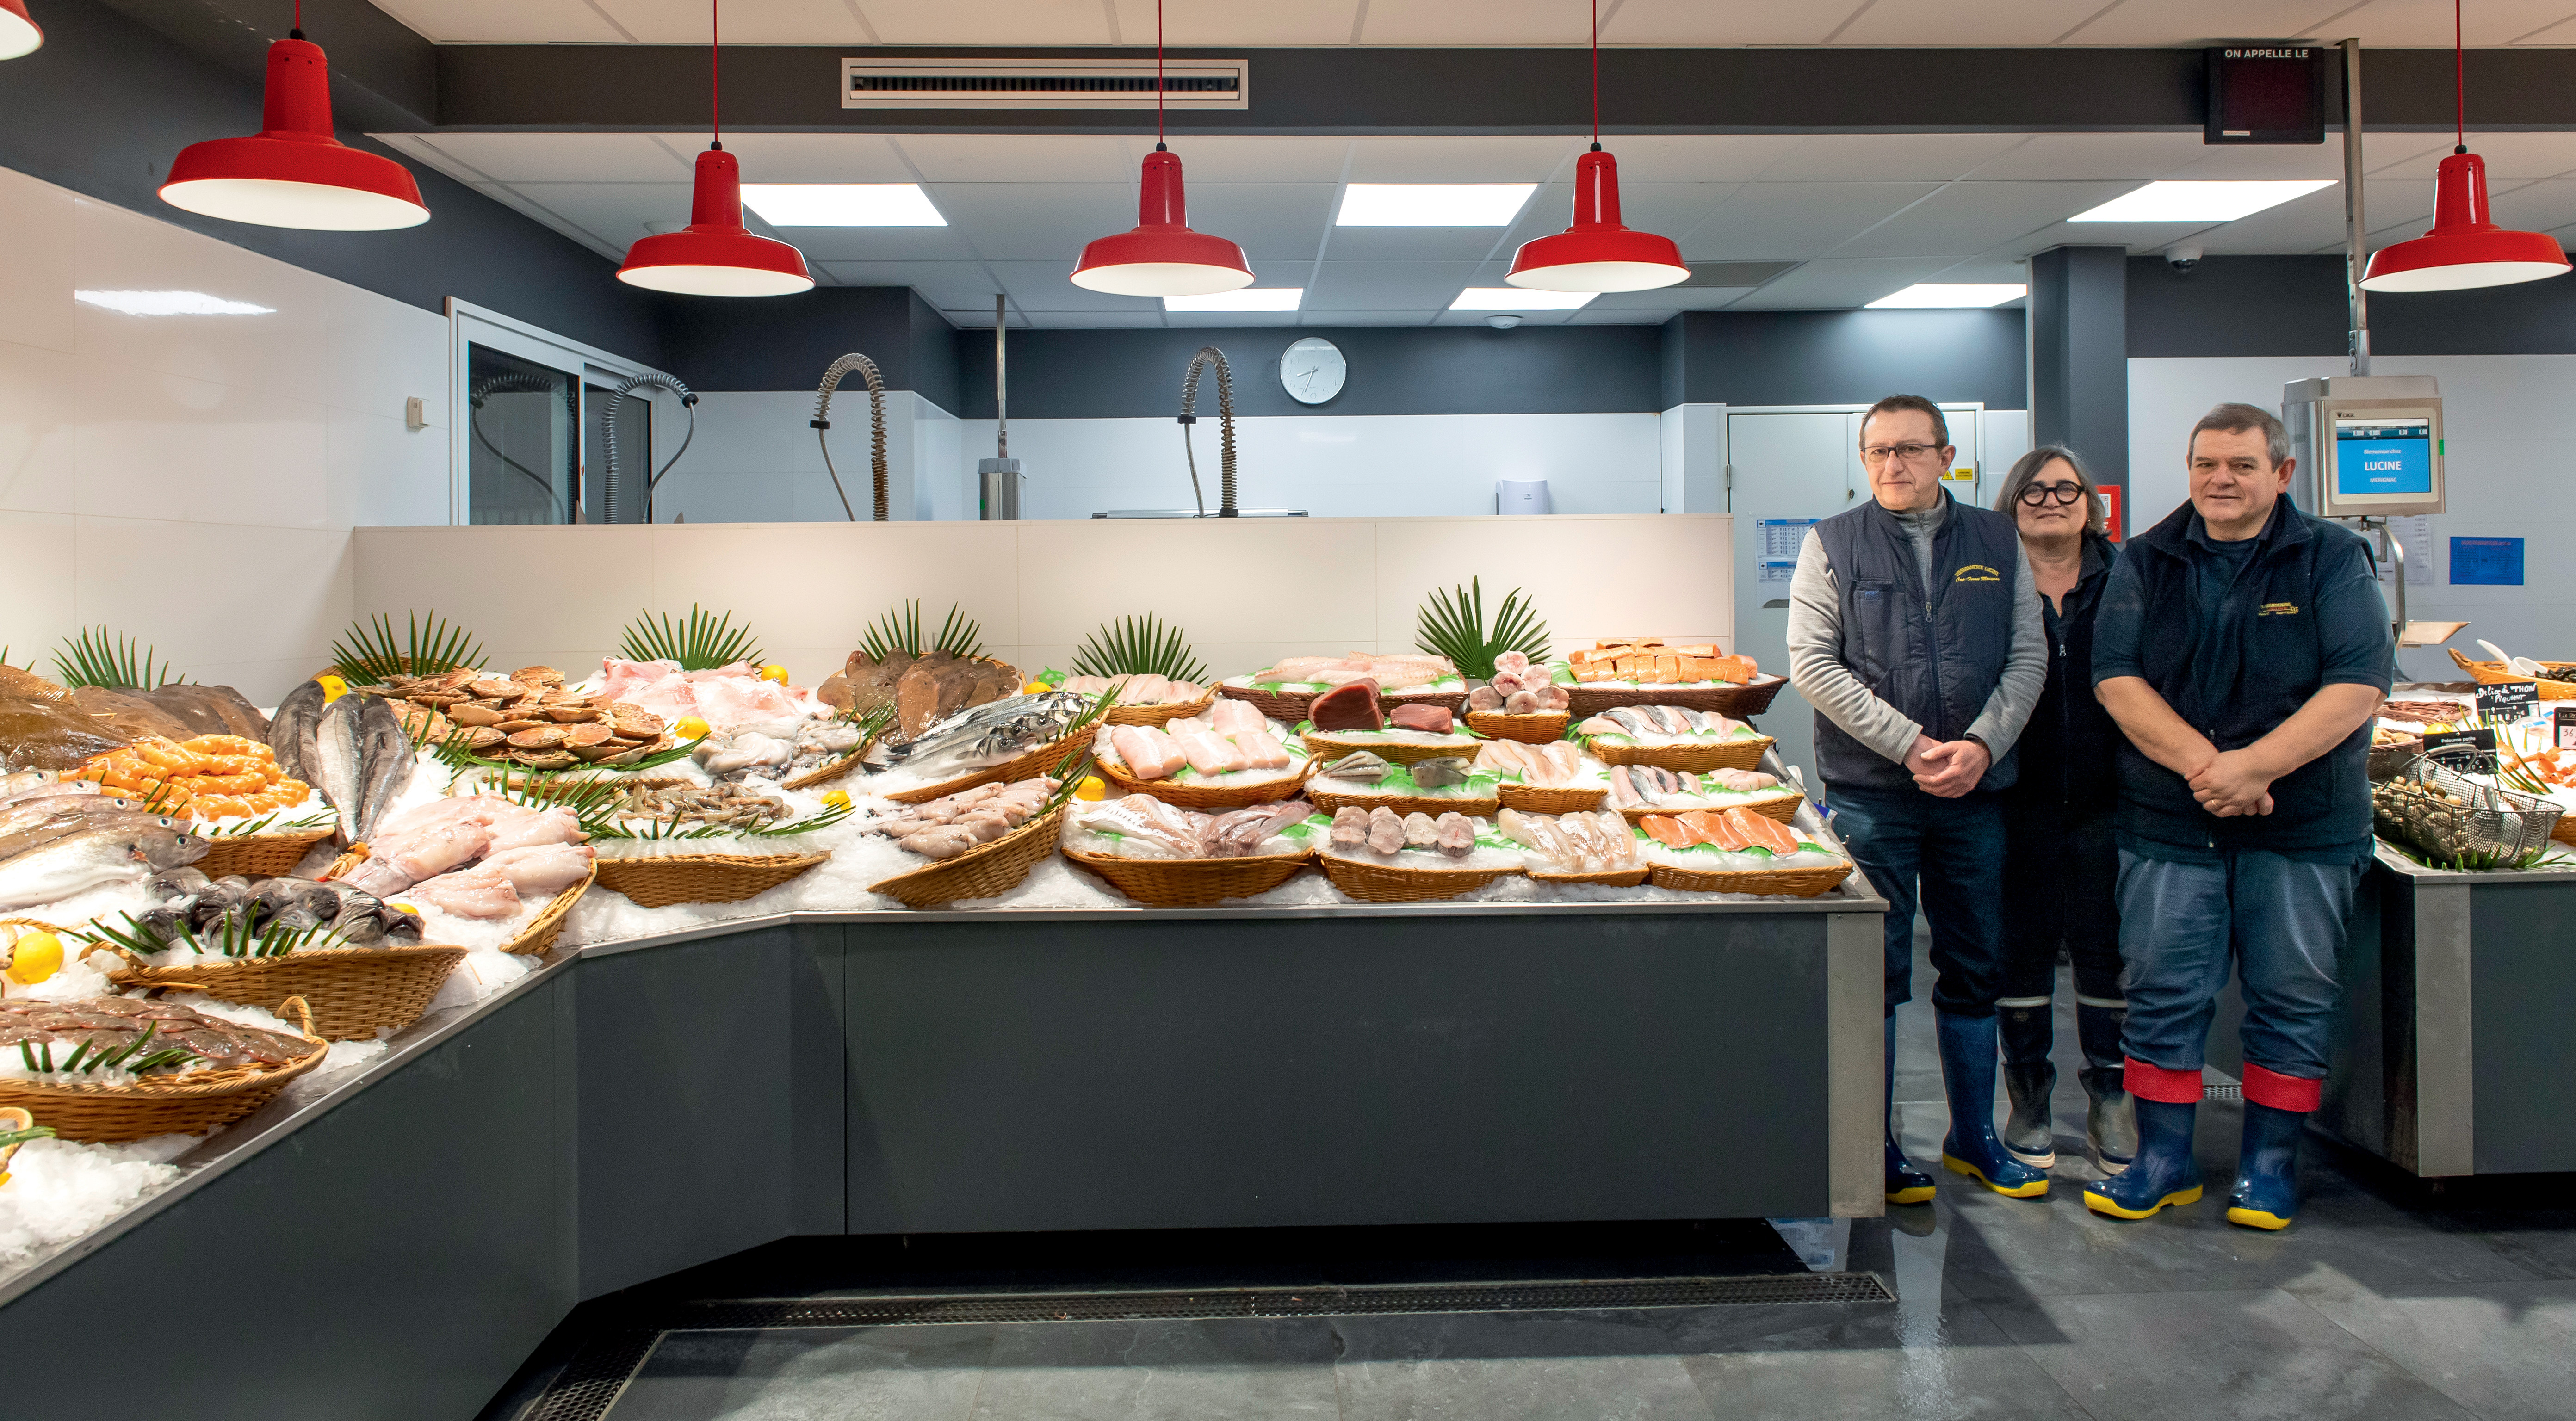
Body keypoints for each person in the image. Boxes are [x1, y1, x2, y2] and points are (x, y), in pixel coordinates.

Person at [2086, 402, 2392, 1231]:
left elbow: (2358, 684)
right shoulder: (2146, 559)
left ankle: (2269, 1168)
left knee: (2292, 997)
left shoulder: (2332, 558)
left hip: (2302, 827)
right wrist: (2210, 771)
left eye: (2241, 466)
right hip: (2173, 824)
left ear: (2282, 474)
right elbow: (2116, 679)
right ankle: (2161, 1160)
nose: (2220, 480)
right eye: (2206, 465)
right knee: (2162, 992)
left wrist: (2255, 769)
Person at [1787, 394, 2048, 1206]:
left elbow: (2027, 657)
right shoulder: (1832, 542)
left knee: (1975, 965)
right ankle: (1881, 1145)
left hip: (1977, 793)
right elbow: (1812, 666)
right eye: (1877, 453)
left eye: (1910, 449)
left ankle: (1974, 1138)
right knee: (1879, 969)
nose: (1893, 466)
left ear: (1946, 454)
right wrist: (1911, 745)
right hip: (1872, 797)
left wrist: (1979, 748)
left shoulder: (1999, 541)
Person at [1990, 447, 2134, 1178]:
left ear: (2090, 502)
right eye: (2034, 490)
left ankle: (2111, 1096)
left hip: (2114, 797)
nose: (2050, 500)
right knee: (2020, 949)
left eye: (2065, 489)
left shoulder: (2128, 578)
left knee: (2107, 951)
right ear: (2012, 503)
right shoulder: (1990, 583)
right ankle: (2029, 1095)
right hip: (2018, 797)